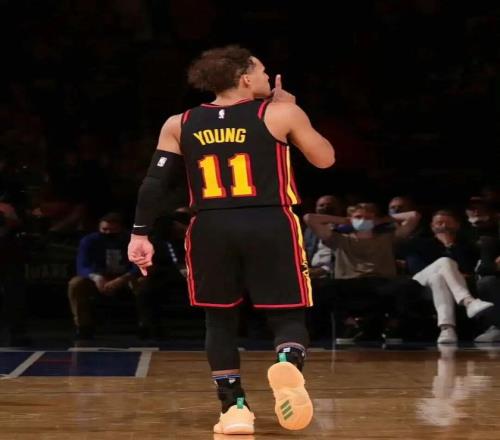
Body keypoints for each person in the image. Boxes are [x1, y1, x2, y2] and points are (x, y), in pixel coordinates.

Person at [128, 45, 335, 434]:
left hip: (210, 226)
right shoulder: (279, 112)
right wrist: (293, 108)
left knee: (219, 320)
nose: (267, 76)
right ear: (245, 78)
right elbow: (325, 159)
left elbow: (154, 183)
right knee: (287, 314)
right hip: (270, 221)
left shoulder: (179, 122)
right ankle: (288, 365)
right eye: (262, 71)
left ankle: (234, 408)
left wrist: (140, 233)